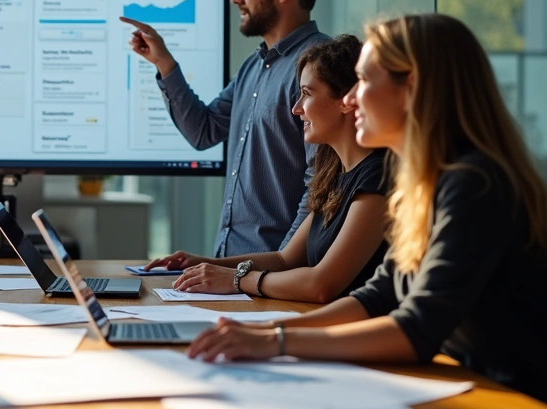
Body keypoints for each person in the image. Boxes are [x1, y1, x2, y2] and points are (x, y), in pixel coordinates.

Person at [185, 13, 547, 409]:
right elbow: (378, 296)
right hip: (485, 396)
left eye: (365, 80)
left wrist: (275, 342)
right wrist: (265, 332)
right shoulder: (425, 184)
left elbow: (416, 328)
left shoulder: (474, 183)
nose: (351, 99)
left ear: (413, 89)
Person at [125, 0, 330, 258]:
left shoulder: (319, 64)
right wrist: (164, 62)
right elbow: (203, 132)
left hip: (271, 276)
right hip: (232, 267)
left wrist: (280, 264)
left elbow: (319, 184)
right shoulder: (254, 66)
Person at [144, 35, 390, 303]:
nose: (296, 109)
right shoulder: (335, 176)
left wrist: (237, 280)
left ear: (346, 100)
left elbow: (322, 285)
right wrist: (205, 264)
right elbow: (285, 259)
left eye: (306, 94)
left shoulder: (376, 178)